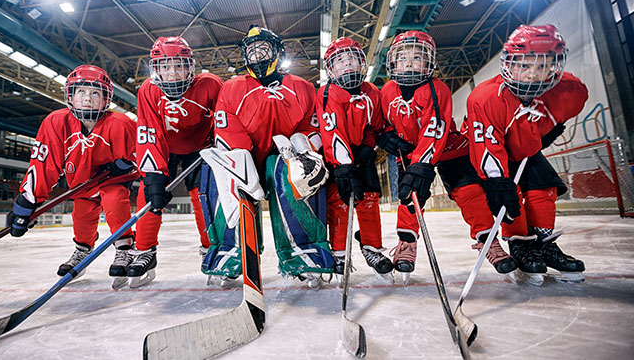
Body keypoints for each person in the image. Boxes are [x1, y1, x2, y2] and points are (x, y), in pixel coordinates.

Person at [380, 31, 518, 281]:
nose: (409, 62)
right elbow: (383, 122)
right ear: (392, 62)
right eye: (403, 57)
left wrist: (420, 165)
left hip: (449, 148)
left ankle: (488, 241)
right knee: (409, 197)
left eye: (417, 57)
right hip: (410, 153)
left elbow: (435, 129)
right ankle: (407, 244)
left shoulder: (437, 88)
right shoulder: (386, 91)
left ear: (430, 62)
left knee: (469, 193)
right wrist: (386, 135)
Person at [207, 25, 333, 287]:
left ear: (277, 52)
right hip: (247, 159)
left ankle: (303, 252)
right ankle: (233, 252)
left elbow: (311, 126)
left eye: (263, 49)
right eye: (251, 51)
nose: (257, 56)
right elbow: (225, 126)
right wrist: (242, 159)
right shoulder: (231, 88)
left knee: (293, 172)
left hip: (285, 159)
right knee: (218, 172)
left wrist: (300, 147)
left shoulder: (303, 87)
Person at [466, 24, 588, 282]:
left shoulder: (569, 91)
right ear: (509, 63)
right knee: (509, 195)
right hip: (492, 150)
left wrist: (543, 134)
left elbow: (557, 115)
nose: (533, 75)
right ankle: (520, 243)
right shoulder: (485, 97)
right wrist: (498, 181)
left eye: (542, 66)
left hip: (525, 148)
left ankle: (544, 243)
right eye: (524, 65)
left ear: (555, 66)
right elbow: (487, 145)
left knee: (544, 185)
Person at [7, 65, 137, 284]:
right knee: (82, 216)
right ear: (70, 95)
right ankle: (82, 249)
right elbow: (43, 164)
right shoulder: (56, 122)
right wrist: (26, 202)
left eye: (95, 93)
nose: (88, 98)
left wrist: (128, 165)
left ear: (106, 98)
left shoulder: (122, 124)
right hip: (81, 184)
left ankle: (124, 247)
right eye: (81, 92)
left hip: (111, 182)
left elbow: (143, 156)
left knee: (115, 204)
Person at [134, 36, 223, 287]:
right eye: (164, 66)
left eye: (179, 65)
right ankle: (145, 251)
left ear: (190, 66)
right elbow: (149, 130)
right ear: (156, 69)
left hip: (202, 149)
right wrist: (154, 174)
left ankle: (211, 248)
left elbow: (226, 118)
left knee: (204, 196)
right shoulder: (148, 90)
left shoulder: (210, 84)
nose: (172, 73)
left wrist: (221, 145)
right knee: (148, 194)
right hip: (165, 149)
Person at [316, 37, 394, 280]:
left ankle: (372, 247)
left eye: (351, 58)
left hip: (360, 156)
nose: (347, 64)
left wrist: (369, 146)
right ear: (331, 68)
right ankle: (339, 253)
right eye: (340, 61)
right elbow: (332, 132)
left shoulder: (372, 92)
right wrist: (344, 165)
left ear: (362, 62)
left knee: (370, 200)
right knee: (340, 203)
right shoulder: (328, 92)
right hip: (336, 161)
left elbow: (375, 127)